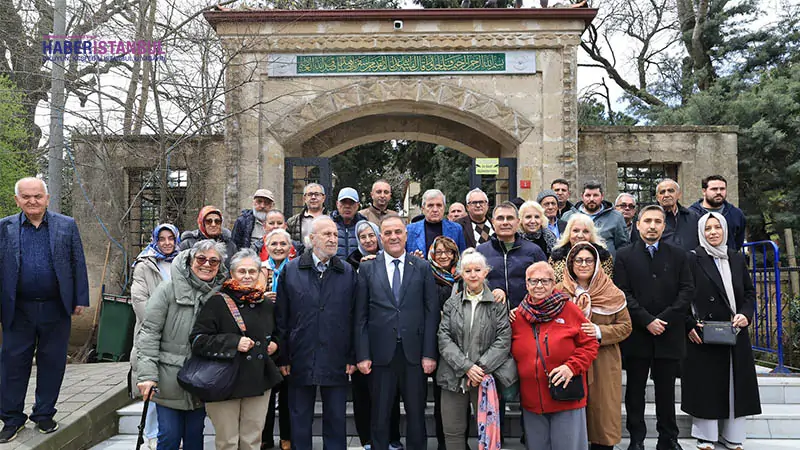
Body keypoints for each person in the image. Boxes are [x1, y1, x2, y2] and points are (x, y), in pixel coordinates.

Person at [0, 178, 90, 443]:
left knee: (52, 363)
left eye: (37, 196)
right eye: (26, 197)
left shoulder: (66, 225)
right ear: (17, 200)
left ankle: (44, 414)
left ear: (47, 198)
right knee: (12, 364)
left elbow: (78, 262)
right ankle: (12, 418)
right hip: (18, 309)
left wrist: (80, 298)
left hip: (56, 307)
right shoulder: (3, 228)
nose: (32, 201)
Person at [355, 216, 439, 450]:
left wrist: (429, 353)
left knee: (416, 415)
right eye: (388, 233)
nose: (393, 237)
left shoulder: (421, 267)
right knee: (379, 416)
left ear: (406, 235)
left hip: (414, 355)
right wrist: (362, 354)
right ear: (381, 237)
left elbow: (431, 312)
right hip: (380, 355)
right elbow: (360, 316)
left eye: (398, 232)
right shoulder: (367, 268)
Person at [614, 205, 694, 450]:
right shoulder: (624, 255)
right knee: (635, 392)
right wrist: (646, 320)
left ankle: (668, 438)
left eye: (657, 221)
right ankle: (636, 439)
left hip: (669, 335)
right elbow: (622, 293)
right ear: (637, 225)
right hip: (638, 334)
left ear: (664, 226)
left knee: (666, 392)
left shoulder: (679, 255)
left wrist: (665, 319)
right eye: (647, 221)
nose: (652, 226)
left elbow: (687, 291)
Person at [137, 240, 228, 450]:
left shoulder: (222, 295)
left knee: (194, 438)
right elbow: (149, 333)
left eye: (213, 261)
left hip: (202, 379)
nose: (207, 264)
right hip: (169, 378)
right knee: (169, 436)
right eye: (201, 259)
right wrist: (147, 376)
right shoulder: (168, 289)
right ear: (190, 260)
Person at [275, 216, 357, 450]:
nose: (333, 239)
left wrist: (352, 355)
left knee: (336, 420)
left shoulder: (348, 272)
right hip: (301, 356)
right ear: (312, 239)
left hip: (336, 357)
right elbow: (282, 318)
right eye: (327, 234)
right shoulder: (291, 271)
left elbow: (354, 317)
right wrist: (283, 356)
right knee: (300, 420)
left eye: (335, 235)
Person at [682, 213, 761, 450]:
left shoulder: (736, 258)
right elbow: (683, 295)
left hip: (735, 330)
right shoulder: (692, 258)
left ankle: (733, 435)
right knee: (707, 382)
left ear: (725, 230)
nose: (713, 232)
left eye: (717, 227)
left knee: (735, 382)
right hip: (705, 331)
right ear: (701, 232)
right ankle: (706, 435)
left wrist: (745, 315)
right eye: (708, 228)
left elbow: (749, 293)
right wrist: (688, 324)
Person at [190, 249, 283, 450]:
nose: (247, 276)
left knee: (252, 441)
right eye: (242, 271)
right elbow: (198, 340)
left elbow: (275, 333)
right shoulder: (217, 301)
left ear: (260, 273)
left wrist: (275, 345)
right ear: (232, 274)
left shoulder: (265, 303)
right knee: (228, 442)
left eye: (252, 271)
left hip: (258, 379)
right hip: (224, 381)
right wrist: (233, 343)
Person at [510, 261, 598, 450]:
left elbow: (590, 344)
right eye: (533, 281)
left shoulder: (570, 310)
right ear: (526, 284)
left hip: (566, 398)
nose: (539, 286)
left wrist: (571, 367)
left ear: (553, 283)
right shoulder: (518, 316)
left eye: (545, 281)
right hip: (532, 401)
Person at [437, 249, 515, 450]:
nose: (473, 274)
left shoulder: (497, 304)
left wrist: (479, 368)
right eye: (468, 270)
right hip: (453, 377)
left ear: (485, 272)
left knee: (488, 433)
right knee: (453, 432)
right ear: (461, 274)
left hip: (484, 377)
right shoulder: (451, 303)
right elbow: (444, 338)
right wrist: (466, 367)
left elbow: (503, 340)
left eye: (477, 270)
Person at [558, 242, 632, 450]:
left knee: (602, 413)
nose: (583, 264)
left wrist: (599, 331)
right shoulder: (558, 290)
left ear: (597, 263)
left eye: (588, 260)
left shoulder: (612, 291)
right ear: (570, 263)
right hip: (568, 360)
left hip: (603, 361)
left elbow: (626, 327)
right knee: (571, 412)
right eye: (578, 260)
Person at [344, 220, 404, 450]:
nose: (368, 240)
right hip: (362, 336)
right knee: (362, 394)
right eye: (363, 237)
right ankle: (367, 439)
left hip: (387, 341)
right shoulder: (351, 263)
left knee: (390, 395)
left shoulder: (392, 260)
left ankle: (392, 437)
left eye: (372, 235)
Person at [130, 223, 181, 449]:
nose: (167, 243)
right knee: (151, 382)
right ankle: (151, 433)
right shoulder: (144, 264)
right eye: (162, 239)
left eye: (171, 238)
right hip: (152, 331)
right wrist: (160, 323)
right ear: (155, 240)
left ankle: (172, 434)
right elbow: (139, 299)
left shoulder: (183, 262)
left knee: (173, 383)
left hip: (178, 332)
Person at [259, 229, 294, 450]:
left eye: (283, 244)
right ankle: (265, 437)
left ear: (290, 247)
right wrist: (261, 296)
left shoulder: (296, 267)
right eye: (274, 244)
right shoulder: (259, 269)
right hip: (265, 332)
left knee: (289, 391)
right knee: (266, 392)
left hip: (289, 333)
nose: (279, 247)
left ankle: (287, 436)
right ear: (267, 246)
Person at [477, 202, 547, 309]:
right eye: (500, 218)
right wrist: (490, 292)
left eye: (510, 218)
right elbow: (472, 284)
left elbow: (546, 284)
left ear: (518, 222)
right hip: (490, 316)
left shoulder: (534, 251)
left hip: (525, 315)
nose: (505, 222)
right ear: (493, 222)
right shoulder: (480, 252)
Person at [562, 181, 629, 256]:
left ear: (602, 196)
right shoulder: (568, 216)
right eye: (588, 195)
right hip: (575, 263)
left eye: (595, 195)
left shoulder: (616, 217)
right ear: (582, 196)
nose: (591, 199)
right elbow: (563, 243)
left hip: (607, 264)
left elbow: (623, 246)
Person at [633, 179, 699, 251]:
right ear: (657, 197)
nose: (666, 195)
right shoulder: (645, 218)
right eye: (662, 192)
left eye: (671, 191)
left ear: (679, 195)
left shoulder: (693, 217)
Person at [549, 214, 614, 284]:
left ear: (591, 235)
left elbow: (606, 285)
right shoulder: (556, 257)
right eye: (576, 231)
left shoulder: (603, 257)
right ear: (569, 233)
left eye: (585, 231)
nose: (580, 236)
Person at [689, 175, 746, 251]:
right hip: (700, 260)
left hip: (728, 259)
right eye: (714, 189)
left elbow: (738, 241)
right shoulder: (691, 215)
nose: (719, 192)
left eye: (722, 189)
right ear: (704, 191)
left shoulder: (736, 214)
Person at [406, 189, 467, 256]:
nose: (435, 210)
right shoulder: (410, 230)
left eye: (439, 205)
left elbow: (462, 257)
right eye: (430, 205)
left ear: (444, 208)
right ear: (423, 209)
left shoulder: (456, 229)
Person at [331, 187, 368, 260]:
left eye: (351, 203)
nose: (347, 206)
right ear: (337, 204)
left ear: (357, 205)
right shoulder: (328, 224)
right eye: (344, 202)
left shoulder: (364, 226)